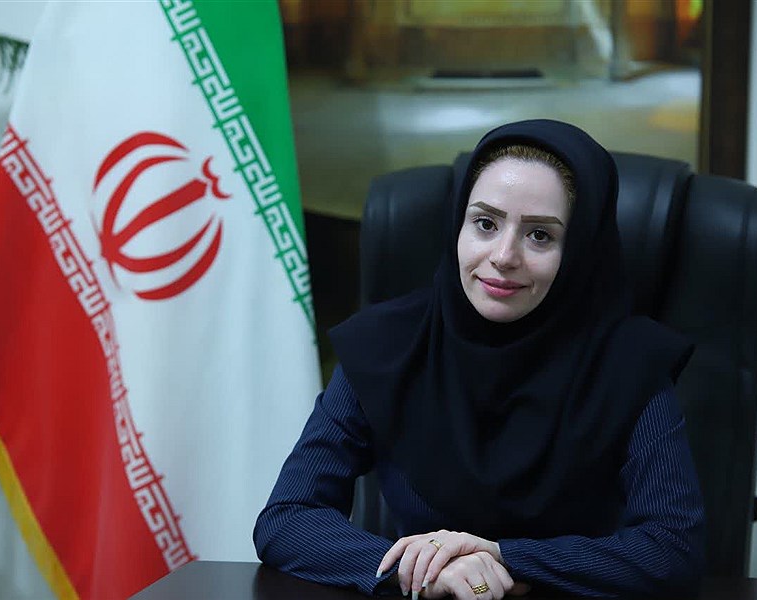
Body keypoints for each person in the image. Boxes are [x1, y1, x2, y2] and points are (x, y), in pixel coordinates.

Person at [253, 120, 705, 599]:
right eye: (486, 224)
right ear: (458, 225)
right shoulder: (386, 344)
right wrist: (418, 571)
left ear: (579, 250)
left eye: (540, 235)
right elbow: (287, 518)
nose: (504, 256)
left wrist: (503, 556)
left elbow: (673, 549)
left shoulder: (629, 364)